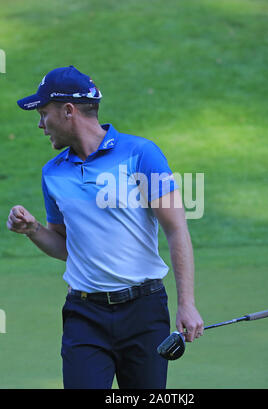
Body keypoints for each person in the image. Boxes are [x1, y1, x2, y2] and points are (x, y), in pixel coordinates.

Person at [7, 65, 204, 389]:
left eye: (44, 113)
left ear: (68, 111)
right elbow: (67, 246)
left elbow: (176, 229)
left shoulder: (141, 154)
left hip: (144, 312)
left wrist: (186, 303)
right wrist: (34, 230)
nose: (41, 125)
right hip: (84, 316)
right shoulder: (52, 173)